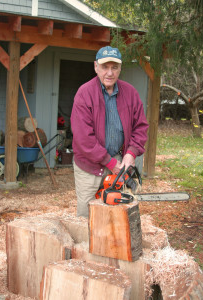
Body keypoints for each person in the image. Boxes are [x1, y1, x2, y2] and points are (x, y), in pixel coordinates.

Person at [71, 46, 149, 217]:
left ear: (120, 68)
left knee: (118, 214)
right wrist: (110, 163)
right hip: (88, 166)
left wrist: (130, 154)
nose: (109, 73)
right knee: (87, 215)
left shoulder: (130, 93)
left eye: (114, 67)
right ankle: (88, 243)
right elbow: (84, 138)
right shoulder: (84, 94)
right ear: (96, 67)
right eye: (105, 67)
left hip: (119, 160)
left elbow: (141, 127)